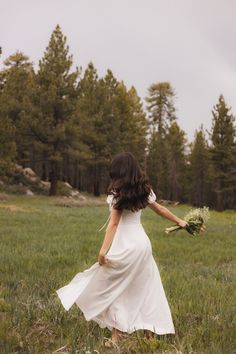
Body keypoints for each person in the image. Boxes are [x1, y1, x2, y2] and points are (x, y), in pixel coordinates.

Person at [56, 152, 205, 348]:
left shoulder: (117, 194)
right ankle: (149, 334)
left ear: (118, 172)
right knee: (148, 287)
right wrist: (181, 221)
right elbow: (160, 209)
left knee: (118, 288)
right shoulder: (144, 190)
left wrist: (103, 251)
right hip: (142, 245)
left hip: (124, 245)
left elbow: (114, 225)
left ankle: (117, 336)